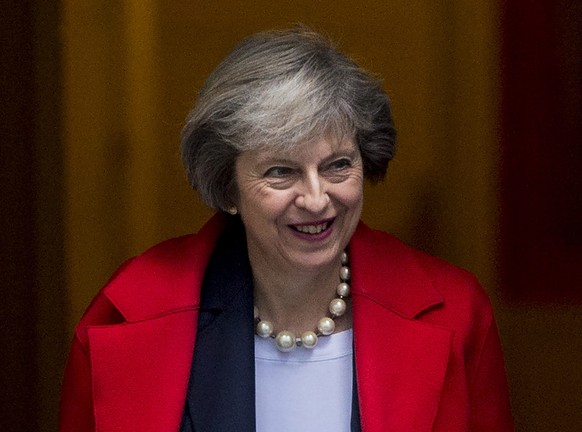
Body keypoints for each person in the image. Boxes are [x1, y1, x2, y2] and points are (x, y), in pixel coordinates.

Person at [59, 27, 513, 431]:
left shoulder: (457, 315)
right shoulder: (125, 315)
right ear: (229, 187)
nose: (316, 199)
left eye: (338, 165)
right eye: (281, 171)